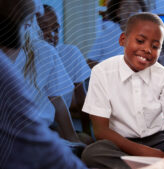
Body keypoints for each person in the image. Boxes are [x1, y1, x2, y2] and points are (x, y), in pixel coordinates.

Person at [81, 12, 164, 169]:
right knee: (92, 154)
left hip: (159, 141)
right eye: (140, 41)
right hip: (119, 143)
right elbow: (100, 130)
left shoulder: (162, 74)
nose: (147, 49)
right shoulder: (102, 72)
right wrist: (145, 152)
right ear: (123, 40)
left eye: (155, 46)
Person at [0, 0, 87, 168]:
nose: (38, 11)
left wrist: (73, 138)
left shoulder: (43, 53)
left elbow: (58, 102)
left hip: (37, 137)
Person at [37, 4, 92, 137]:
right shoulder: (27, 59)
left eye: (56, 29)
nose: (51, 34)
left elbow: (81, 99)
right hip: (35, 126)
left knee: (87, 143)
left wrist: (87, 133)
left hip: (60, 125)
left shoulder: (70, 53)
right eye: (44, 29)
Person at [86, 0, 148, 68]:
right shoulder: (106, 34)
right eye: (126, 6)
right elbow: (90, 61)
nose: (131, 10)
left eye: (135, 7)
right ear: (118, 12)